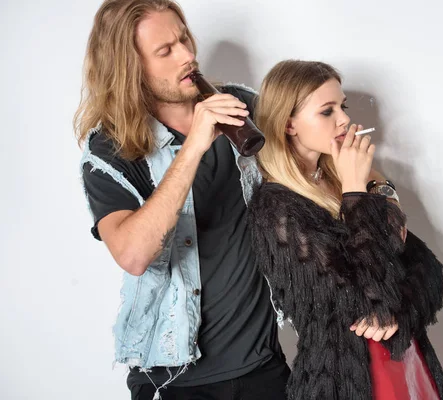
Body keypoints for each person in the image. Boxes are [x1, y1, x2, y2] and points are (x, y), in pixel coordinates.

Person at [74, 1, 289, 399]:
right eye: (165, 50)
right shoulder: (111, 150)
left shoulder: (242, 107)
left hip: (262, 367)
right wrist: (194, 146)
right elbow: (133, 254)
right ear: (130, 67)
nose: (188, 55)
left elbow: (322, 147)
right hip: (174, 380)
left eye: (184, 38)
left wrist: (382, 191)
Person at [248, 60, 443, 400]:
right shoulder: (276, 209)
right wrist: (356, 191)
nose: (344, 119)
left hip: (405, 367)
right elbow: (359, 301)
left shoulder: (341, 178)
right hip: (344, 382)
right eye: (326, 111)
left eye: (343, 106)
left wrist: (399, 313)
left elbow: (426, 268)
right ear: (289, 124)